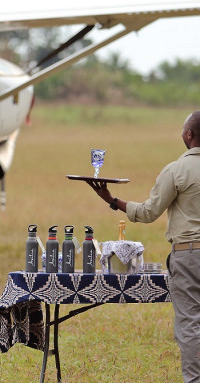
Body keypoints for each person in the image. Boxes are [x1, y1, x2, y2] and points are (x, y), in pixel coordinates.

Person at [86, 111, 200, 383]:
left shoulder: (177, 170)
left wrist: (112, 200)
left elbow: (149, 212)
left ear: (188, 135)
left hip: (189, 254)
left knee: (191, 324)